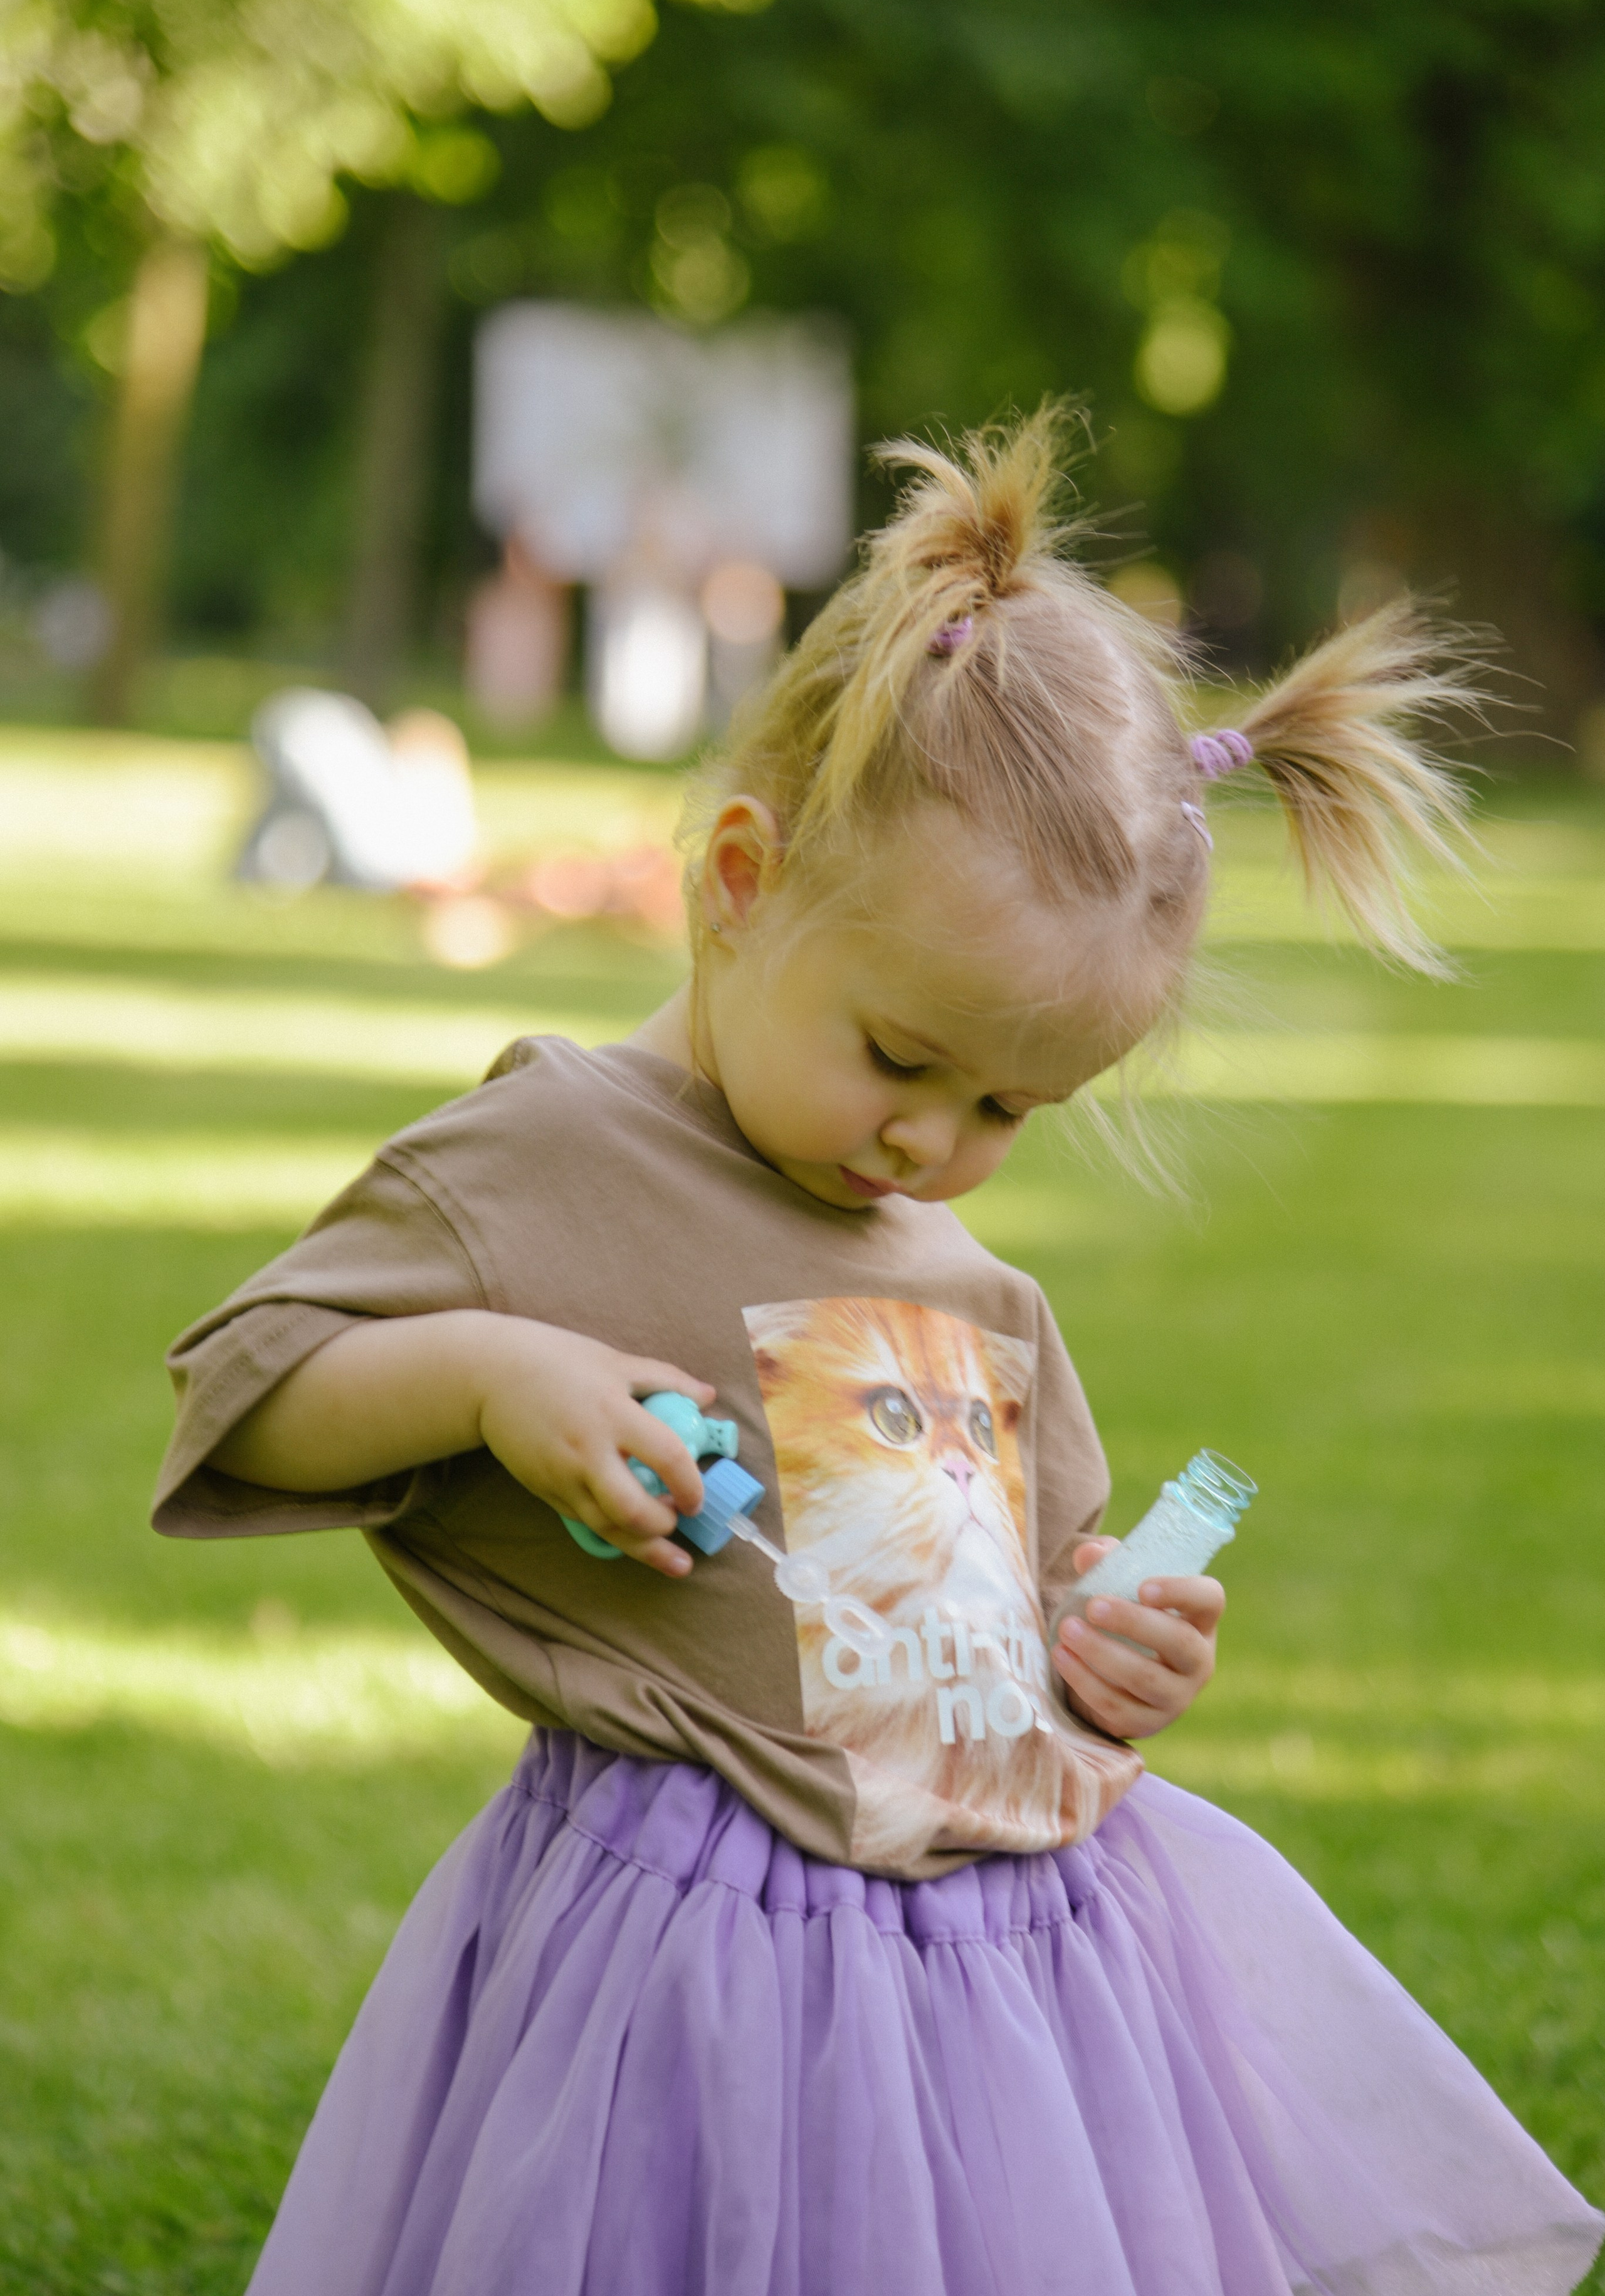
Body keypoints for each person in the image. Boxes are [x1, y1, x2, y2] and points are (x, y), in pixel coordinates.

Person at [154, 412, 1602, 2296]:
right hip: (693, 1960)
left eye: (1010, 1105)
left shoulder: (977, 1288)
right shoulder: (552, 1156)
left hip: (992, 1977)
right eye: (903, 1057)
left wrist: (1101, 1640)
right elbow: (254, 1387)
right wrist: (496, 1378)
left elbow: (993, 1624)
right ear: (741, 879)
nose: (933, 1143)